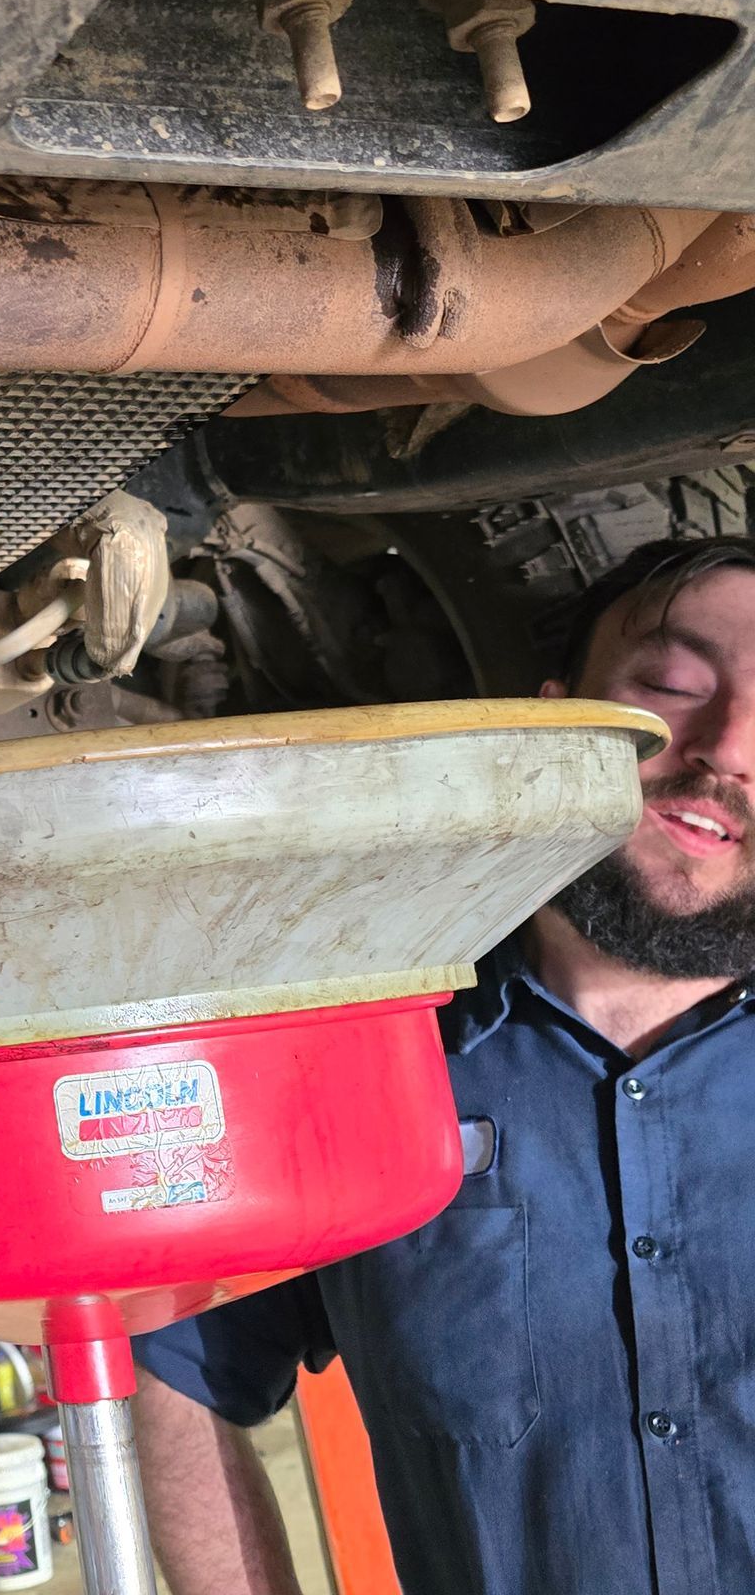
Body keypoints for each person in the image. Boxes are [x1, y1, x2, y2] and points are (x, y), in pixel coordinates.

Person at [132, 535, 755, 1595]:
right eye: (671, 686)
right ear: (554, 719)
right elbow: (174, 1362)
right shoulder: (351, 1065)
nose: (730, 745)